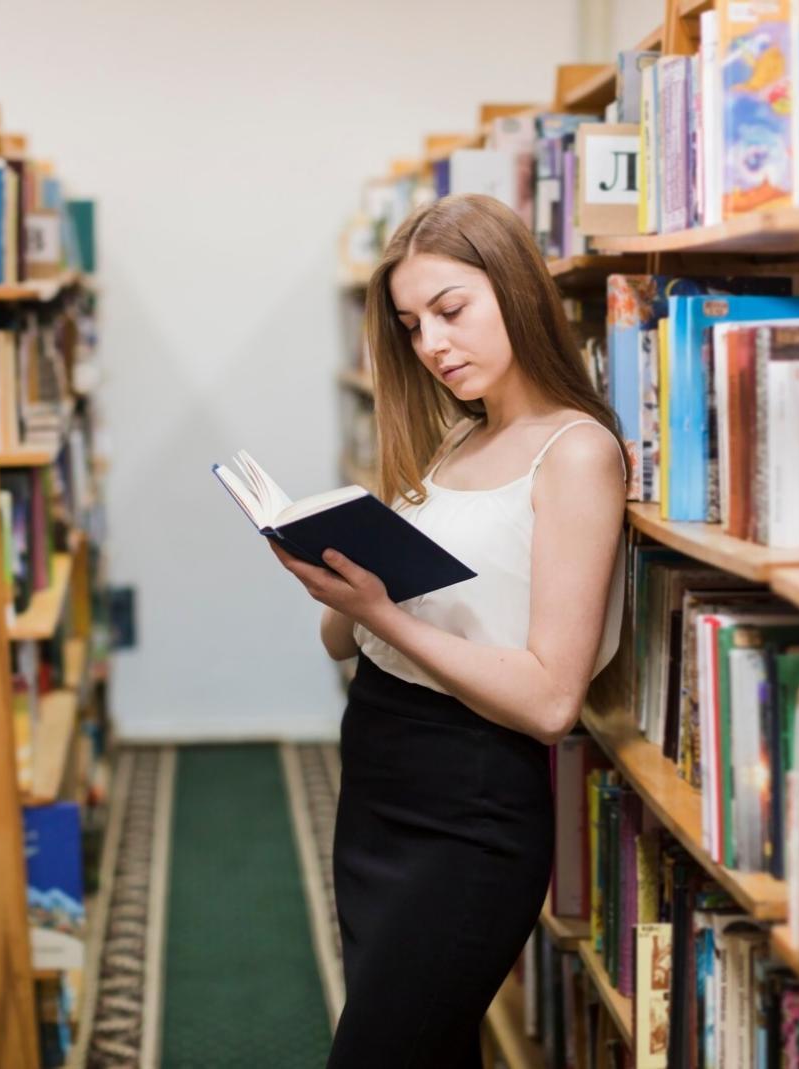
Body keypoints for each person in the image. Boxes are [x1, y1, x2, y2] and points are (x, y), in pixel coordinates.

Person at [271, 192, 628, 1067]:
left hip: (469, 805)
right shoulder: (453, 443)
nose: (431, 344)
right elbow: (345, 643)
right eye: (410, 324)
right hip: (380, 776)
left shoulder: (576, 452)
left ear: (513, 288)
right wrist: (339, 582)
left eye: (451, 310)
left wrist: (382, 611)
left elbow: (550, 700)